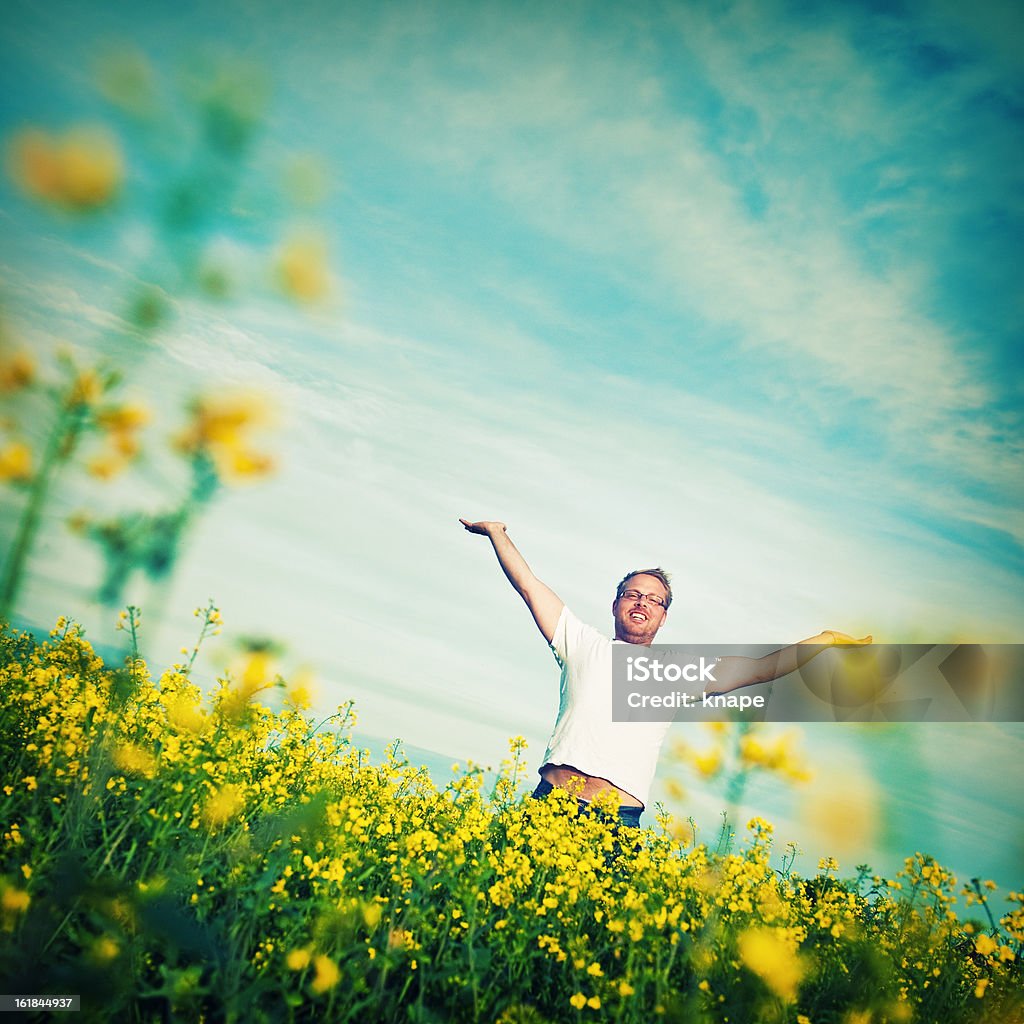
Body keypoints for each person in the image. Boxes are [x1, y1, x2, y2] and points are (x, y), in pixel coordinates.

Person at [460, 518, 871, 828]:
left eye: (654, 600)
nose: (641, 603)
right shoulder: (580, 642)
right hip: (550, 803)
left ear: (663, 616)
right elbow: (530, 586)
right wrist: (497, 532)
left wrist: (825, 640)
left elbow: (761, 669)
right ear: (616, 603)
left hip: (614, 820)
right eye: (633, 594)